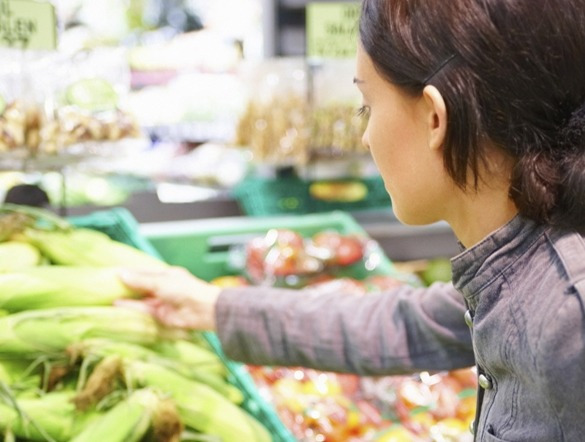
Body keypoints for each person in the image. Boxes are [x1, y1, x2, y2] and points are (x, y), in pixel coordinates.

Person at [121, 0, 585, 440]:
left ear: (434, 118)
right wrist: (212, 307)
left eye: (368, 106)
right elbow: (409, 325)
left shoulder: (568, 323)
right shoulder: (521, 268)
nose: (364, 137)